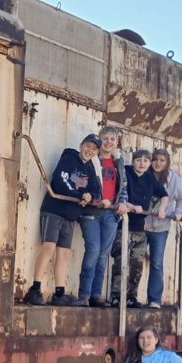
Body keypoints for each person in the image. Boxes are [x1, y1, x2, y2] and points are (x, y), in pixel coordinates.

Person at [25, 134, 100, 306]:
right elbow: (60, 180)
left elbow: (96, 191)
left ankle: (59, 294)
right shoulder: (68, 158)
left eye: (94, 149)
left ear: (97, 153)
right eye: (88, 146)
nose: (90, 150)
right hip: (54, 210)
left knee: (64, 254)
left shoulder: (91, 170)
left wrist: (90, 196)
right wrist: (80, 195)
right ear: (81, 145)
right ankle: (34, 289)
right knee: (48, 249)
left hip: (71, 215)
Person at [110, 149, 168, 307]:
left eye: (145, 160)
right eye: (138, 160)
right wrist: (131, 206)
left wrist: (161, 210)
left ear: (149, 163)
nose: (142, 163)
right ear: (133, 161)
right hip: (123, 224)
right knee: (121, 261)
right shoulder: (126, 172)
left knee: (137, 264)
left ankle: (131, 297)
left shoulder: (150, 178)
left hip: (139, 228)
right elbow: (119, 193)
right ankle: (116, 296)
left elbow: (164, 194)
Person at [79, 127, 129, 307]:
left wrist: (122, 202)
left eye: (112, 139)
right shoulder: (92, 158)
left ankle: (96, 294)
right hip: (92, 211)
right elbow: (82, 180)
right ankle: (83, 294)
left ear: (116, 142)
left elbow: (123, 186)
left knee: (102, 255)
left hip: (111, 213)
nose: (108, 142)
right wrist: (98, 199)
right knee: (93, 250)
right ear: (99, 140)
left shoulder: (118, 161)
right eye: (105, 138)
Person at [145, 150, 182, 308]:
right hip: (141, 226)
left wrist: (178, 214)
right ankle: (130, 298)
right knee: (133, 261)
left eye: (162, 160)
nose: (157, 163)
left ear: (167, 163)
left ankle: (154, 300)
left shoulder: (173, 179)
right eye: (155, 160)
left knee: (156, 263)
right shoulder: (144, 174)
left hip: (161, 228)